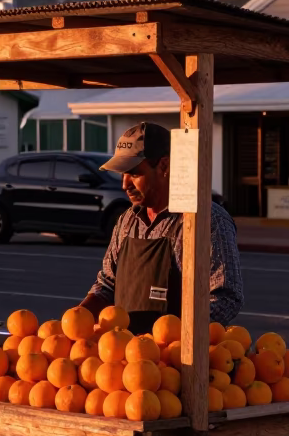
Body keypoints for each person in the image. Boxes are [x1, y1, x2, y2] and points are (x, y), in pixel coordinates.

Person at [80, 121, 243, 333]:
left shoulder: (204, 221)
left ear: (164, 166)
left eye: (134, 173)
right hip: (123, 357)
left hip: (174, 361)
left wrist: (178, 340)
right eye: (122, 174)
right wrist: (79, 319)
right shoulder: (127, 220)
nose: (124, 184)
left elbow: (225, 298)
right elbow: (107, 285)